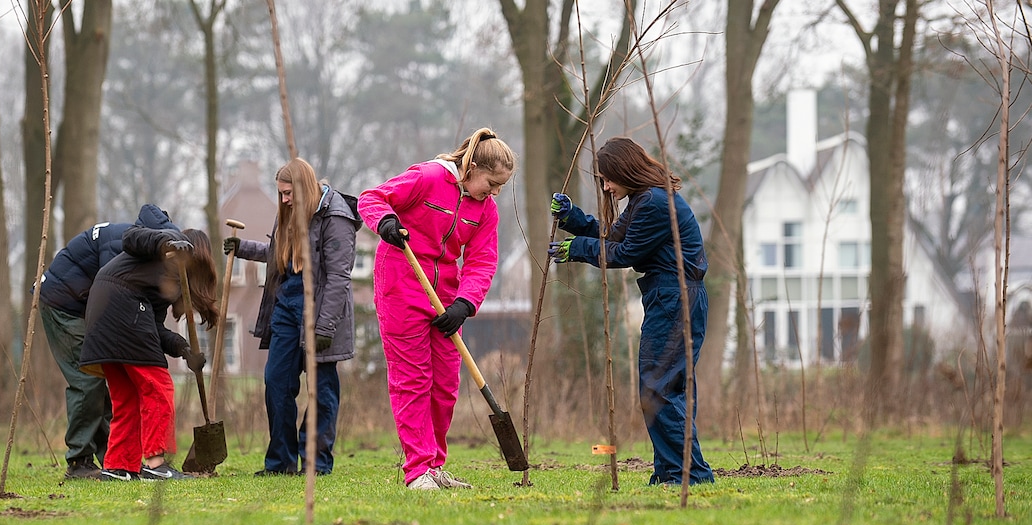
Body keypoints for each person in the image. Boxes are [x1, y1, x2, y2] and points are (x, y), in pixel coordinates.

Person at [548, 136, 715, 485]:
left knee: (659, 389)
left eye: (608, 179)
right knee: (667, 389)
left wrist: (577, 249)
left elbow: (625, 253)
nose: (606, 187)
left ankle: (690, 475)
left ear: (626, 170)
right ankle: (672, 473)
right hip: (674, 296)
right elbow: (613, 236)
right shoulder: (647, 199)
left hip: (674, 298)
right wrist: (572, 218)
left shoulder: (653, 202)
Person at [358, 127, 516, 491]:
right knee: (413, 379)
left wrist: (465, 303)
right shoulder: (428, 178)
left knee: (445, 384)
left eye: (501, 187)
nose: (494, 192)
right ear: (472, 168)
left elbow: (482, 261)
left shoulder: (486, 210)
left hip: (445, 295)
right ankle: (418, 470)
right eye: (492, 183)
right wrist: (385, 222)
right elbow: (371, 199)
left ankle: (435, 465)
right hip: (400, 284)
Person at [225, 158, 362, 476]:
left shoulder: (335, 216)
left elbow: (339, 277)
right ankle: (280, 462)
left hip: (321, 311)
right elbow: (281, 256)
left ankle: (316, 463)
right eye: (281, 193)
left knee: (321, 390)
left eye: (289, 193)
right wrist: (243, 248)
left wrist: (325, 326)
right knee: (276, 382)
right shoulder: (288, 212)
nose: (284, 199)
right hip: (286, 308)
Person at [37, 203, 179, 480]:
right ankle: (80, 460)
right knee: (87, 381)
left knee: (114, 387)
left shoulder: (137, 254)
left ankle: (115, 462)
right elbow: (111, 291)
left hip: (84, 306)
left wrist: (175, 343)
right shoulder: (121, 246)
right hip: (63, 305)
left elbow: (147, 316)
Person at [79, 226, 217, 481]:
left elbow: (154, 327)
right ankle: (156, 464)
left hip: (103, 316)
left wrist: (184, 349)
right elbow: (131, 236)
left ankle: (118, 466)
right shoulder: (161, 249)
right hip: (123, 308)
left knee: (127, 397)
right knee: (158, 387)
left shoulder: (158, 277)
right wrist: (168, 241)